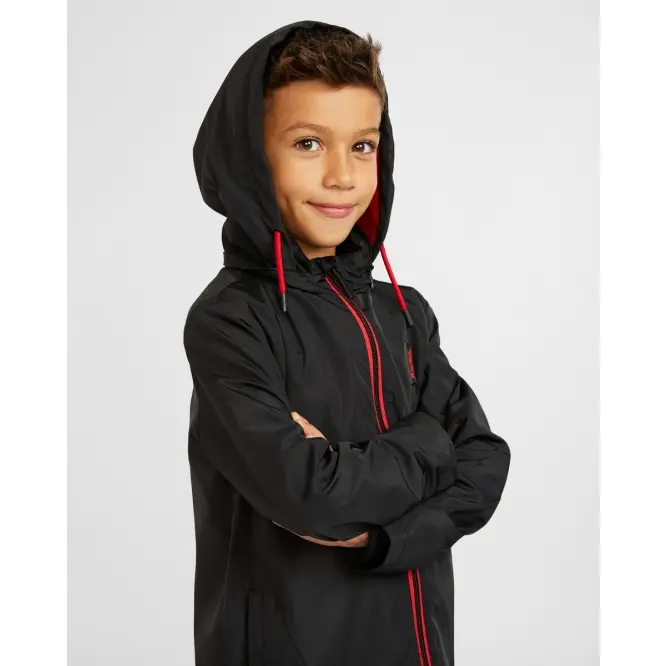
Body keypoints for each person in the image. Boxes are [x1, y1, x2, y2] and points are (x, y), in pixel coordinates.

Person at [183, 19, 511, 666]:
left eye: (362, 146)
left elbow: (484, 463)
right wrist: (431, 445)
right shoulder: (231, 320)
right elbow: (314, 496)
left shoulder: (403, 311)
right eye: (308, 143)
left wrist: (384, 536)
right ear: (250, 157)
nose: (342, 176)